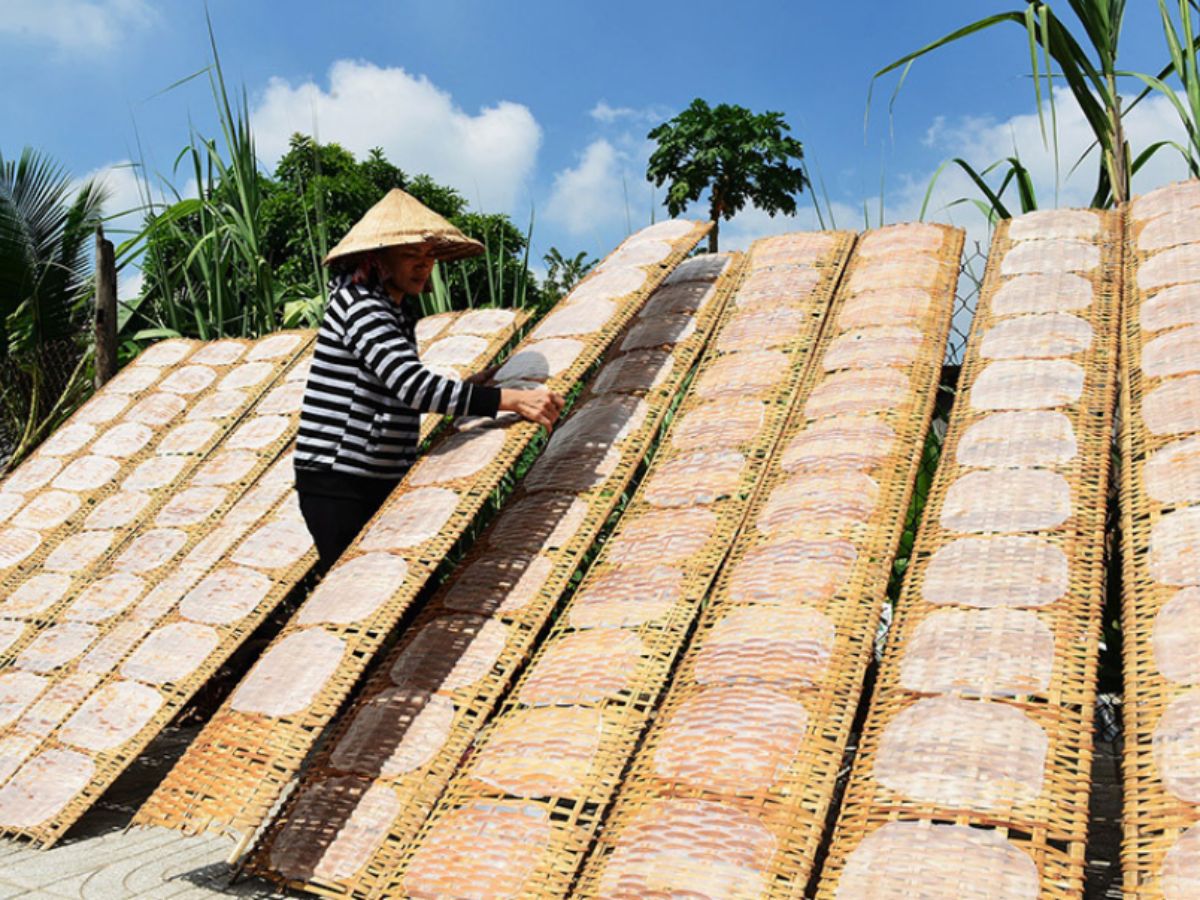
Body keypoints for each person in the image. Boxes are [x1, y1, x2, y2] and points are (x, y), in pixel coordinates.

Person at [294, 188, 564, 574]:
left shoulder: (395, 308)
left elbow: (390, 387)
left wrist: (472, 385)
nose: (423, 267)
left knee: (387, 587)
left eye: (429, 257)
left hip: (374, 475)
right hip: (341, 481)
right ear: (379, 258)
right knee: (360, 591)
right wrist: (512, 400)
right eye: (410, 256)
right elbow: (413, 387)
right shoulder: (361, 304)